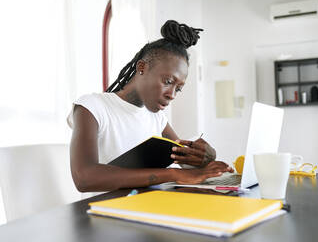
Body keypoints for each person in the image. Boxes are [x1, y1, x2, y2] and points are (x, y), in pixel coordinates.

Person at [68, 20, 233, 193]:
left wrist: (206, 157)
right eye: (168, 82)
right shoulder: (92, 107)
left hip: (144, 207)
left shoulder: (157, 118)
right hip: (103, 211)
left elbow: (184, 160)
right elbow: (84, 178)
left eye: (179, 88)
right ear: (142, 67)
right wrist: (172, 174)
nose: (172, 94)